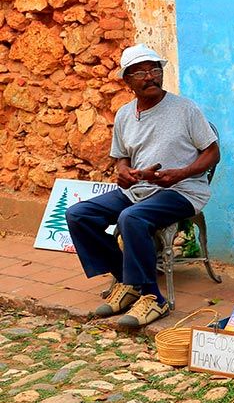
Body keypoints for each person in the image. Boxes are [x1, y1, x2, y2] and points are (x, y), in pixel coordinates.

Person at [65, 44, 221, 327]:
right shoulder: (125, 114)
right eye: (141, 72)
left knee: (132, 218)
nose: (150, 77)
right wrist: (123, 173)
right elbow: (121, 157)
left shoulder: (185, 109)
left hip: (181, 191)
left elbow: (212, 153)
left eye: (155, 69)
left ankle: (153, 298)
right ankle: (127, 281)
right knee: (79, 215)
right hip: (138, 190)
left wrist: (180, 173)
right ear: (127, 81)